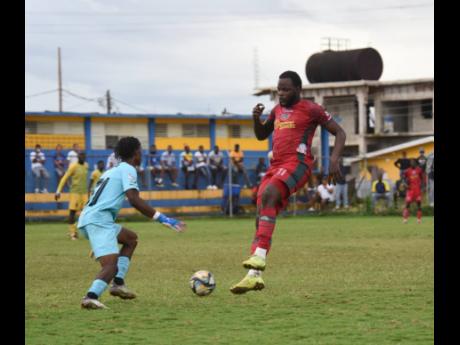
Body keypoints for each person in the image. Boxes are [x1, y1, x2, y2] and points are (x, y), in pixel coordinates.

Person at [230, 70, 346, 294]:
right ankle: (254, 276)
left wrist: (333, 158)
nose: (280, 93)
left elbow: (340, 133)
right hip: (276, 166)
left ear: (298, 90)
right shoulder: (277, 110)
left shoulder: (311, 109)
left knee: (269, 195)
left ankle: (259, 257)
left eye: (285, 89)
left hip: (298, 163)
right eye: (278, 89)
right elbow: (262, 135)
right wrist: (256, 119)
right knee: (261, 210)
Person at [77, 137, 186, 309]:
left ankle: (118, 284)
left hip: (91, 219)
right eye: (140, 150)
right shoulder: (128, 169)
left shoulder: (110, 171)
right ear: (136, 153)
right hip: (99, 221)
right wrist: (162, 218)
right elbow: (134, 199)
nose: (141, 153)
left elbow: (100, 199)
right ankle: (90, 296)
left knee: (130, 239)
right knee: (110, 266)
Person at [55, 152, 89, 240]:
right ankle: (73, 233)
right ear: (78, 157)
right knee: (72, 212)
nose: (82, 158)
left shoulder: (86, 165)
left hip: (84, 193)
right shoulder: (73, 166)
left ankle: (83, 231)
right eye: (81, 156)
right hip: (75, 193)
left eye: (84, 156)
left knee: (87, 213)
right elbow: (65, 177)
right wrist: (58, 191)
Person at [403, 159, 424, 224]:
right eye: (411, 162)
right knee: (407, 204)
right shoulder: (407, 171)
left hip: (417, 190)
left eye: (413, 162)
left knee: (419, 205)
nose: (412, 163)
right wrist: (405, 185)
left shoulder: (419, 170)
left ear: (416, 163)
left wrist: (422, 187)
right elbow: (403, 179)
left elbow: (422, 178)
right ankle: (405, 219)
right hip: (410, 190)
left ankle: (419, 220)